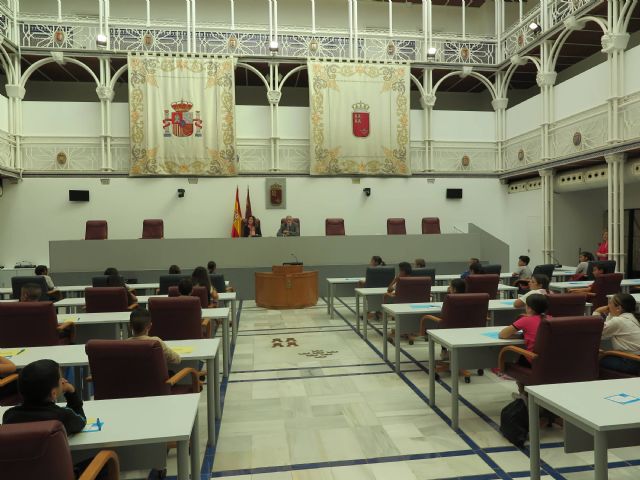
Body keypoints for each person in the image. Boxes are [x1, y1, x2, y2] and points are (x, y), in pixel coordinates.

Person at [2, 359, 86, 434]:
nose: (63, 381)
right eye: (60, 379)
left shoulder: (9, 416)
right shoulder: (62, 416)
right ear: (53, 394)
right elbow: (82, 420)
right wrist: (71, 392)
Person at [499, 294, 550, 395]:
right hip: (550, 359)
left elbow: (503, 334)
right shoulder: (550, 318)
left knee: (521, 357)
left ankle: (523, 395)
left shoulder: (525, 320)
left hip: (534, 360)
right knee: (523, 356)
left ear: (529, 308)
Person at [595, 293, 640, 375]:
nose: (607, 306)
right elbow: (607, 330)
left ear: (618, 308)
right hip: (636, 359)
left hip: (631, 362)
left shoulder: (618, 321)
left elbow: (596, 333)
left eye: (610, 303)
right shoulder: (631, 318)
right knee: (602, 353)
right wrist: (611, 313)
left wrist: (596, 312)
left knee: (594, 359)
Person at [419, 278, 467, 342]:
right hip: (466, 330)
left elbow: (444, 317)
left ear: (455, 289)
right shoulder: (470, 299)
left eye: (450, 287)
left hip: (448, 330)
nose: (448, 288)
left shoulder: (449, 300)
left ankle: (444, 350)